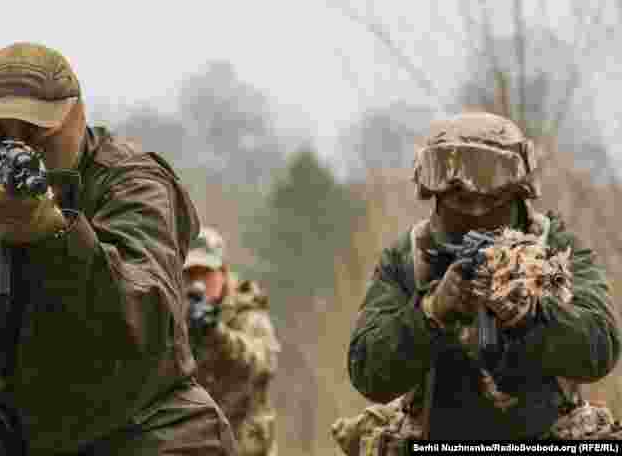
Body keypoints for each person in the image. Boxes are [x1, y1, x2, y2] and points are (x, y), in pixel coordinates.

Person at [0, 42, 236, 455]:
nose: (16, 148)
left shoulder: (132, 182)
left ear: (76, 119)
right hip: (7, 419)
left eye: (35, 132)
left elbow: (143, 325)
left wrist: (57, 236)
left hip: (141, 416)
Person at [337, 112, 621, 447]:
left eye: (491, 199)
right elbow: (368, 372)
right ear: (437, 196)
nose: (475, 211)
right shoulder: (409, 258)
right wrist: (431, 312)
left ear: (517, 194)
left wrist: (530, 315)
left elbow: (600, 348)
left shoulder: (556, 248)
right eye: (460, 198)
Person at [183, 226, 280, 456]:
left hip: (246, 446)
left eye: (206, 273)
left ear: (223, 273)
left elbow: (262, 363)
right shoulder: (177, 317)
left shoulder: (248, 312)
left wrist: (217, 335)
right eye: (191, 275)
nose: (198, 283)